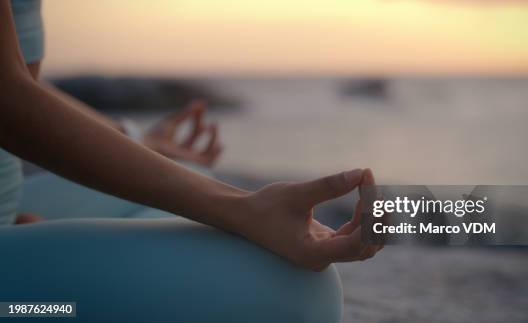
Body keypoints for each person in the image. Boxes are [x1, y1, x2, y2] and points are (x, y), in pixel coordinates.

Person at [0, 0, 382, 274]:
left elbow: (22, 83)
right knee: (299, 295)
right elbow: (8, 102)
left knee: (185, 182)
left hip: (12, 202)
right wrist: (244, 208)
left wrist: (131, 138)